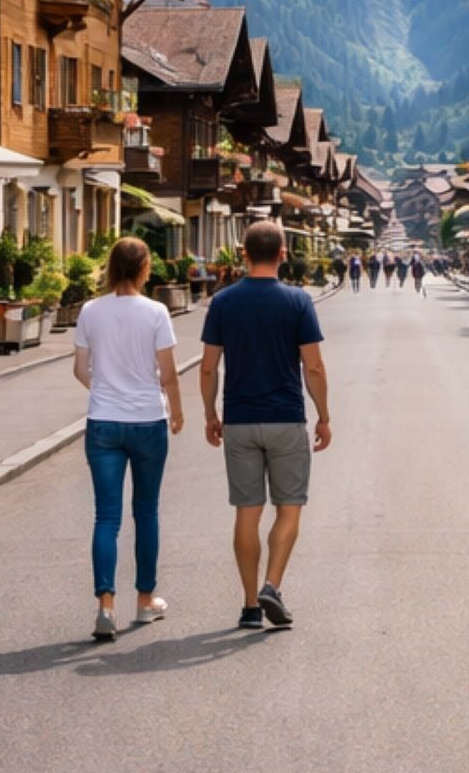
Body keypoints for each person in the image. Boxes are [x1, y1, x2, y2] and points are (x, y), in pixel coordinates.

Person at [200, 220, 330, 631]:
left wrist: (210, 414)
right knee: (289, 509)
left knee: (247, 513)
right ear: (283, 254)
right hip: (286, 420)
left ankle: (250, 604)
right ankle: (273, 584)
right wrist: (324, 415)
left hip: (239, 420)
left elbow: (207, 368)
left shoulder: (223, 302)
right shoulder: (298, 301)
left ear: (243, 254)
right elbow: (313, 365)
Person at [69, 236, 184, 642]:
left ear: (111, 267)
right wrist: (178, 410)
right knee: (147, 512)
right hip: (148, 419)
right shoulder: (156, 312)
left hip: (103, 421)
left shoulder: (89, 311)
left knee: (106, 517)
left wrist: (104, 391)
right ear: (144, 268)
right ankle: (145, 600)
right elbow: (167, 372)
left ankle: (105, 607)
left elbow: (80, 369)